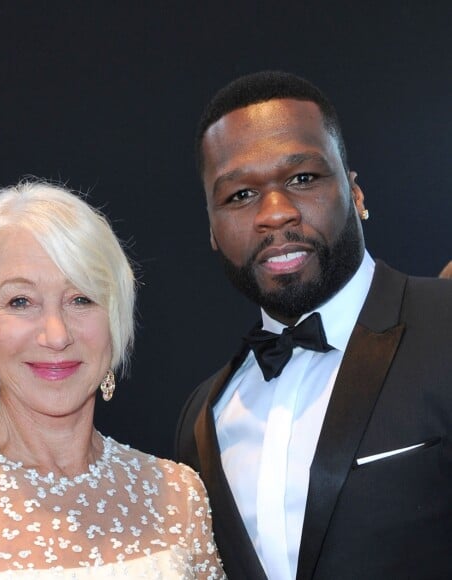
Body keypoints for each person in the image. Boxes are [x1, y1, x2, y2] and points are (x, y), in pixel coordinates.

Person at [175, 71, 452, 580]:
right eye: (239, 195)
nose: (275, 214)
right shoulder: (202, 417)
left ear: (356, 191)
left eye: (302, 179)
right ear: (212, 231)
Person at [0, 180, 225, 578]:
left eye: (81, 299)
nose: (56, 335)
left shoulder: (178, 494)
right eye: (20, 301)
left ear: (114, 322)